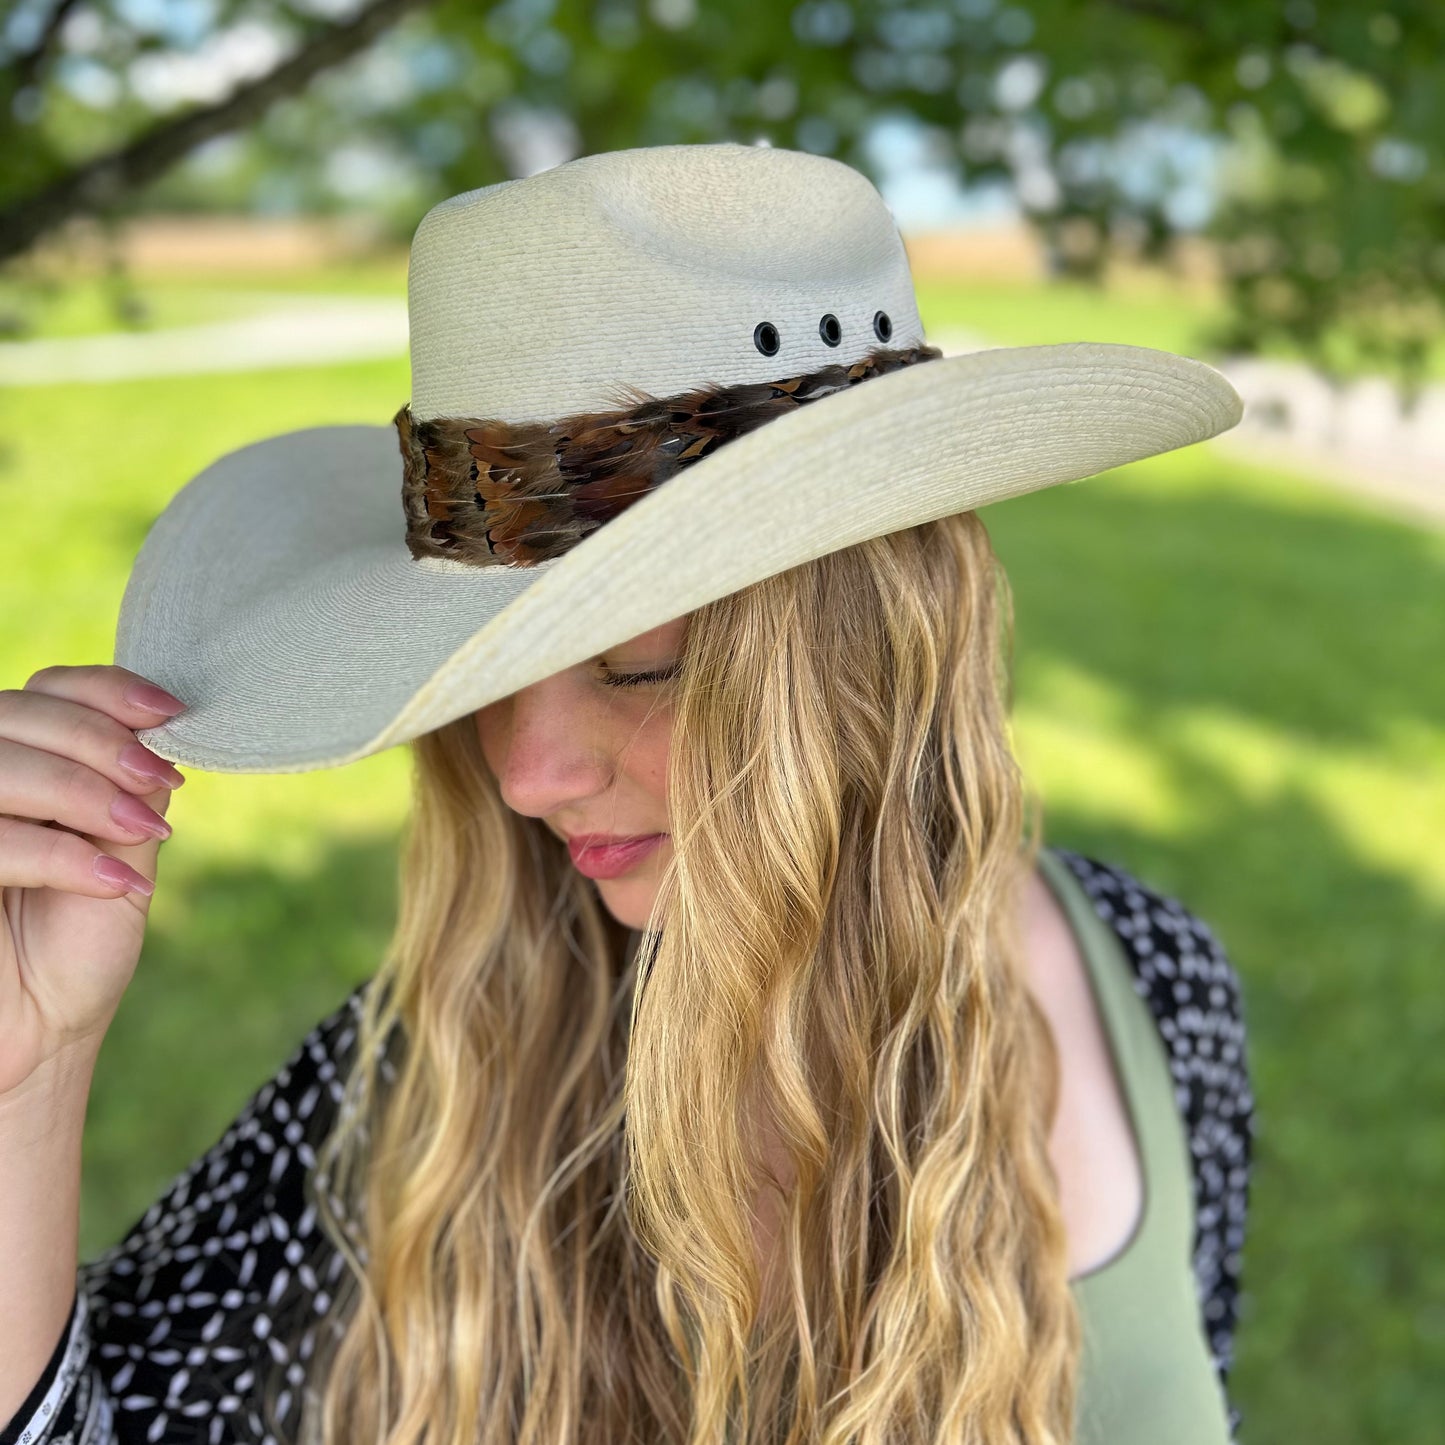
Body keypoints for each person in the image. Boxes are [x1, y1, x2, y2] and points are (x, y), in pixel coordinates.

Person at [0, 143, 1253, 1445]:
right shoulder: (467, 1067)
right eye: (482, 679)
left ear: (871, 652)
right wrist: (23, 1082)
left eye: (636, 667)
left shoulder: (1159, 990)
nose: (524, 775)